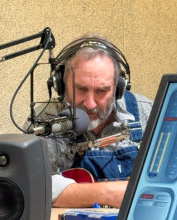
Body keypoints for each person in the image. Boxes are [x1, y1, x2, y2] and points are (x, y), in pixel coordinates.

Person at [24, 33, 153, 208]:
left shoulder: (148, 112)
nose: (90, 104)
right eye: (81, 89)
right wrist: (109, 193)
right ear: (60, 83)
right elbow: (36, 186)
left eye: (102, 91)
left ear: (118, 87)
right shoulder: (44, 123)